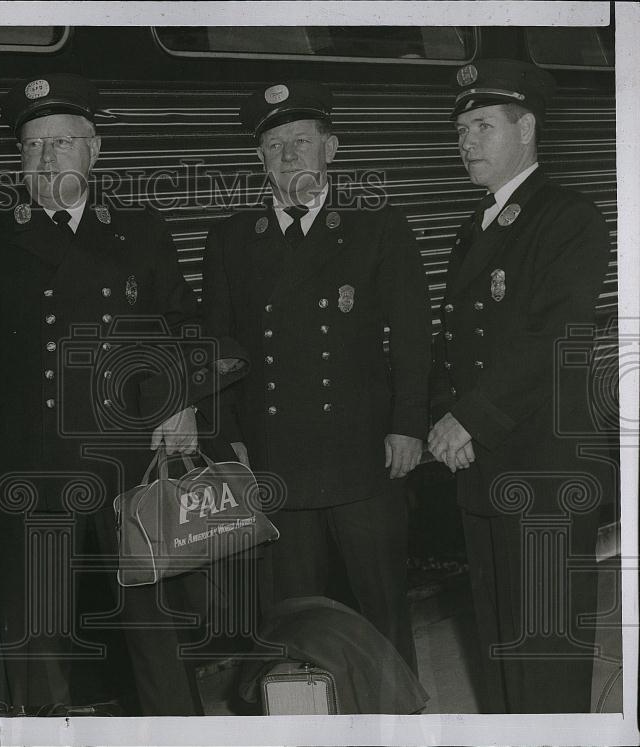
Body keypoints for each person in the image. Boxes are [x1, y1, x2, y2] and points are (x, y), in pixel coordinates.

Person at [0, 73, 205, 715]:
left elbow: (183, 325)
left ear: (94, 149)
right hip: (26, 461)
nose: (46, 159)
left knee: (158, 629)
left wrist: (181, 398)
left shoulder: (141, 228)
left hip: (132, 462)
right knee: (35, 635)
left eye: (61, 143)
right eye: (32, 147)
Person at [200, 80, 431, 671]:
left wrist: (407, 425)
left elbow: (411, 339)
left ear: (332, 148)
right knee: (295, 624)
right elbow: (217, 351)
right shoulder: (230, 240)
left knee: (382, 613)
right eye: (274, 146)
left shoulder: (379, 228)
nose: (288, 156)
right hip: (275, 460)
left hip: (365, 453)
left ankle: (394, 725)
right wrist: (226, 443)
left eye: (302, 142)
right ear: (259, 160)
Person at [428, 58, 613, 713]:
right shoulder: (472, 226)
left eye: (481, 125)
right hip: (483, 467)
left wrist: (467, 418)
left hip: (541, 469)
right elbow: (456, 346)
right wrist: (446, 420)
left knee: (545, 655)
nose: (465, 141)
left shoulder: (567, 217)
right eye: (460, 131)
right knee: (501, 647)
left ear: (527, 127)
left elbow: (552, 337)